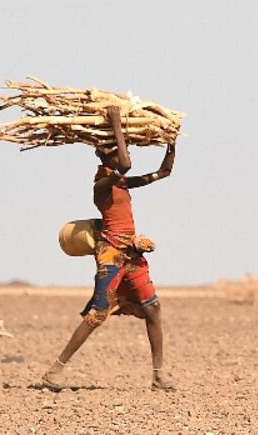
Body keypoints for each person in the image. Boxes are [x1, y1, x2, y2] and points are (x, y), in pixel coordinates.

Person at [41, 106, 177, 391]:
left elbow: (164, 172)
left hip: (132, 254)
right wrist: (116, 123)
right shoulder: (102, 184)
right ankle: (55, 371)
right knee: (97, 315)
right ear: (106, 155)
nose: (124, 154)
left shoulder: (123, 183)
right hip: (111, 255)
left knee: (153, 308)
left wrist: (170, 142)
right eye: (117, 150)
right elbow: (125, 164)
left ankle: (159, 375)